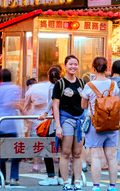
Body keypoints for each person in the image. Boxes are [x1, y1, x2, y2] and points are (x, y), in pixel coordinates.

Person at [81, 57, 120, 191]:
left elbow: (83, 105)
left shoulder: (89, 85)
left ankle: (96, 187)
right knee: (111, 157)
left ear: (93, 68)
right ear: (107, 68)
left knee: (96, 157)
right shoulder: (113, 85)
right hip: (111, 123)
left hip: (95, 124)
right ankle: (112, 186)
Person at [51, 55, 86, 191]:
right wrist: (58, 126)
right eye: (70, 64)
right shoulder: (60, 84)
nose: (73, 67)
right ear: (65, 66)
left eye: (75, 64)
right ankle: (66, 183)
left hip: (80, 120)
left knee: (78, 153)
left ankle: (77, 182)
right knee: (65, 152)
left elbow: (86, 103)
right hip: (66, 120)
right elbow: (55, 106)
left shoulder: (82, 83)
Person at [0, 68, 23, 186]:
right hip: (10, 123)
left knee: (0, 152)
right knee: (15, 151)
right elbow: (10, 103)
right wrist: (22, 108)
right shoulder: (14, 88)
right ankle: (14, 178)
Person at [38, 65, 63, 186]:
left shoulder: (52, 87)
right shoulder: (64, 84)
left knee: (47, 148)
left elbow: (52, 101)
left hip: (54, 121)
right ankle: (61, 176)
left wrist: (46, 112)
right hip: (64, 120)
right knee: (63, 150)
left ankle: (51, 175)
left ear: (49, 76)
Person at [25, 74, 51, 172]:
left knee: (36, 143)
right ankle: (48, 166)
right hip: (48, 119)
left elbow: (26, 107)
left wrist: (26, 120)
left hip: (36, 119)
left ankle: (36, 165)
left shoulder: (32, 89)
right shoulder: (51, 87)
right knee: (49, 143)